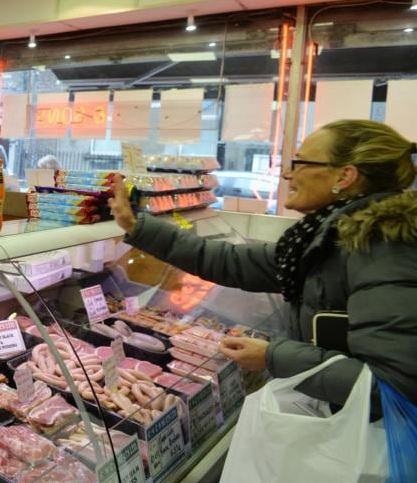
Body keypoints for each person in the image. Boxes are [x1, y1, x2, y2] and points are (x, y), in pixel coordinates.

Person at [108, 119, 417, 408]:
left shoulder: (384, 247)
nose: (287, 174)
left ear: (344, 176)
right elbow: (229, 261)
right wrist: (138, 226)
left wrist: (273, 357)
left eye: (300, 163)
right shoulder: (325, 239)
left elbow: (390, 387)